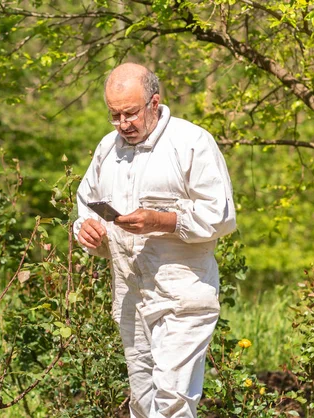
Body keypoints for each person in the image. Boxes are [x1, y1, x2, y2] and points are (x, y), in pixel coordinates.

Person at [74, 63, 236, 418]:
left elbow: (222, 215)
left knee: (172, 402)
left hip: (183, 295)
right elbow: (86, 202)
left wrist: (162, 221)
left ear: (154, 102)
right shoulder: (107, 148)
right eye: (114, 115)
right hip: (130, 293)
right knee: (143, 401)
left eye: (130, 113)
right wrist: (85, 228)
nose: (123, 123)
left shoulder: (191, 142)